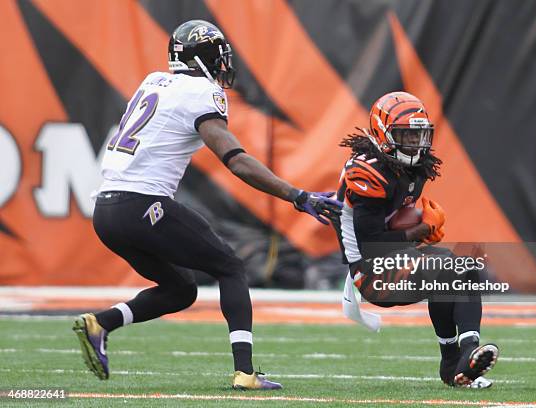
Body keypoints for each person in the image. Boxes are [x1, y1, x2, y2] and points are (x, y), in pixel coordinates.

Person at [72, 20, 341, 390]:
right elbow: (236, 160)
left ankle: (101, 323)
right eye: (218, 57)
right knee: (230, 266)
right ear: (202, 59)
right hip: (141, 204)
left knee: (181, 289)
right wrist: (296, 195)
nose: (223, 65)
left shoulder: (154, 80)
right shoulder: (202, 92)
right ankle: (246, 373)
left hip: (106, 210)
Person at [330, 91, 499, 387]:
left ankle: (454, 363)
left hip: (391, 259)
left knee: (457, 270)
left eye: (419, 135)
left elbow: (393, 222)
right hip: (370, 273)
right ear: (383, 133)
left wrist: (421, 231)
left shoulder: (410, 166)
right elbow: (372, 244)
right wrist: (418, 232)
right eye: (406, 135)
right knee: (453, 269)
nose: (415, 143)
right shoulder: (368, 171)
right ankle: (465, 354)